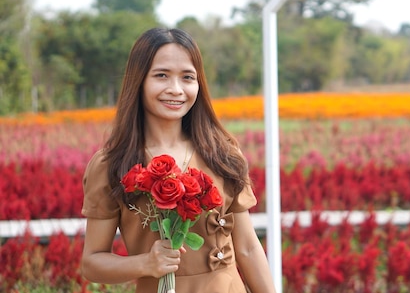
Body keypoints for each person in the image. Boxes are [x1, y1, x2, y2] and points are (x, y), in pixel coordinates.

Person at [81, 27, 277, 293]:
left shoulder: (222, 154)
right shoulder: (112, 164)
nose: (176, 89)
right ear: (139, 81)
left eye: (187, 77)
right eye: (161, 75)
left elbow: (248, 248)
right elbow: (92, 263)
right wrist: (146, 264)